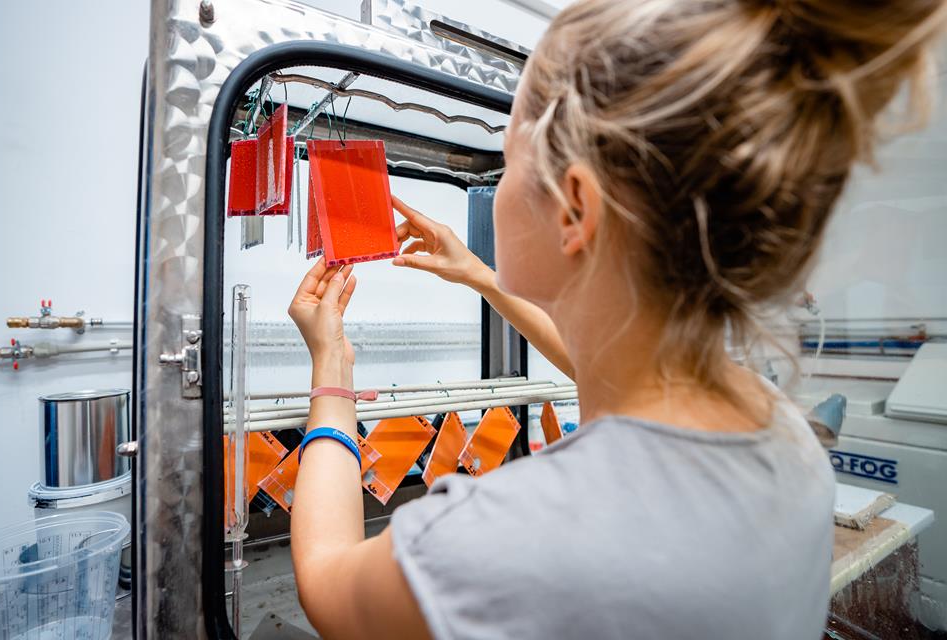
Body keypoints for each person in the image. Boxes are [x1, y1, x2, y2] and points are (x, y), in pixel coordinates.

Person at [285, 1, 946, 638]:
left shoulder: (511, 538)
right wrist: (483, 277)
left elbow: (326, 583)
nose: (499, 183)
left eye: (509, 161)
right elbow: (610, 374)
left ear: (575, 207)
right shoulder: (782, 432)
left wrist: (332, 376)